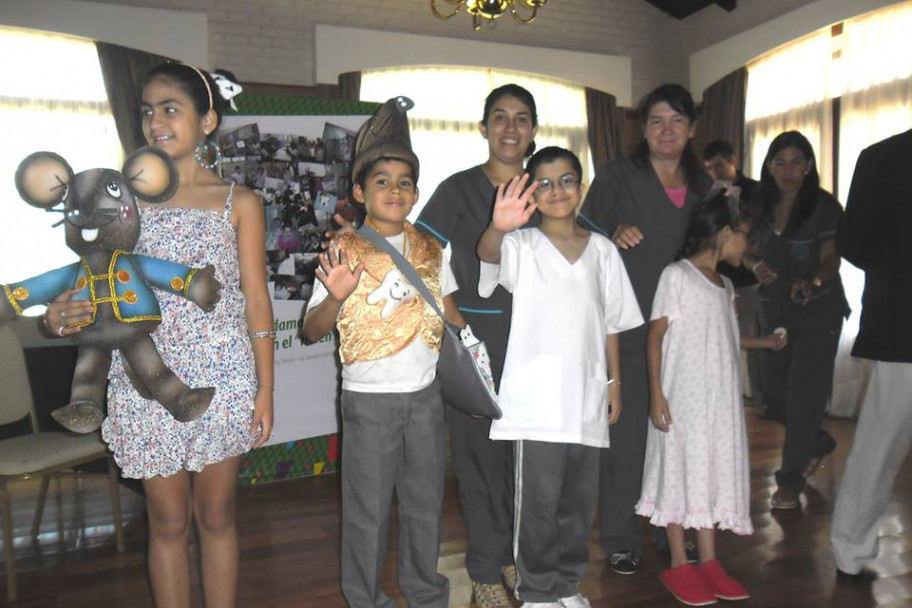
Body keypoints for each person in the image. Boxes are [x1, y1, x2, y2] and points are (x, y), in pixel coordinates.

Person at [43, 62, 274, 607]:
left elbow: (256, 300)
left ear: (208, 119)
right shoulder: (119, 202)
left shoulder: (237, 203)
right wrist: (61, 314)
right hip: (142, 377)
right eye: (147, 110)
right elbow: (89, 281)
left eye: (171, 108)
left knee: (216, 515)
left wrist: (266, 388)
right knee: (167, 520)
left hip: (223, 376)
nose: (156, 121)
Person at [301, 99, 462, 608]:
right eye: (383, 181)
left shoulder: (435, 250)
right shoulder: (342, 250)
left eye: (405, 182)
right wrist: (337, 294)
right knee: (368, 510)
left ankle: (425, 592)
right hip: (369, 400)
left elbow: (452, 316)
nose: (395, 190)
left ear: (416, 191)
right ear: (359, 191)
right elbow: (310, 330)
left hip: (425, 398)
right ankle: (367, 598)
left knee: (424, 504)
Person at [476, 147, 643, 608]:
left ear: (581, 185)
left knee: (577, 505)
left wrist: (614, 383)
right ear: (531, 191)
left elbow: (610, 321)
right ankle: (536, 593)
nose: (556, 191)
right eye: (544, 183)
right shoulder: (520, 246)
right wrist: (499, 226)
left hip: (586, 397)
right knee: (539, 506)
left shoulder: (603, 250)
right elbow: (488, 255)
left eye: (566, 180)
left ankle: (567, 586)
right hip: (537, 402)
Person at [577, 83, 713, 575]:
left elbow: (713, 251)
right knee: (629, 437)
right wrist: (609, 234)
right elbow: (579, 233)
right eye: (656, 121)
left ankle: (670, 526)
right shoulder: (619, 176)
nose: (667, 130)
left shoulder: (703, 187)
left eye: (677, 121)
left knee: (675, 435)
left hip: (684, 330)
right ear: (643, 129)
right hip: (630, 327)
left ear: (692, 128)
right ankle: (619, 537)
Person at [415, 83, 539, 607]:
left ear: (534, 131)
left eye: (521, 118)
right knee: (480, 463)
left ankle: (518, 559)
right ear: (483, 127)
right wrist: (454, 323)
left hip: (538, 343)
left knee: (528, 464)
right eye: (500, 117)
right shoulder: (457, 189)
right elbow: (420, 253)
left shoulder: (547, 187)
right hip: (477, 345)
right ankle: (486, 571)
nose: (510, 127)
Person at [637, 189, 786, 606]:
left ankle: (709, 560)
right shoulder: (677, 276)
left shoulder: (723, 286)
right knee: (680, 471)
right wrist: (656, 394)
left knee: (708, 472)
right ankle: (680, 564)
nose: (748, 246)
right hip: (682, 400)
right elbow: (655, 336)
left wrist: (765, 343)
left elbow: (729, 340)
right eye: (745, 236)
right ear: (724, 233)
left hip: (719, 402)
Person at [744, 131, 849, 510]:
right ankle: (817, 442)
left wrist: (814, 279)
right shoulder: (758, 204)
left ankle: (790, 481)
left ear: (809, 167)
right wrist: (753, 264)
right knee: (773, 395)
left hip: (819, 310)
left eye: (797, 162)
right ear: (769, 167)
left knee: (805, 396)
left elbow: (831, 256)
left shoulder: (823, 206)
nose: (788, 171)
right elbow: (745, 250)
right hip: (775, 310)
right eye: (780, 162)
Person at [831, 129, 912, 578]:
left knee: (879, 444)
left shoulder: (881, 156)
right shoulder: (882, 156)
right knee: (880, 444)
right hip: (903, 323)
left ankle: (851, 551)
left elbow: (853, 243)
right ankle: (850, 551)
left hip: (899, 316)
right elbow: (852, 242)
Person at [702, 139, 764, 407]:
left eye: (718, 165)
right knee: (728, 338)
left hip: (753, 274)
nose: (713, 172)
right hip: (722, 275)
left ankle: (763, 397)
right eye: (709, 168)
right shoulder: (709, 194)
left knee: (755, 337)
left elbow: (762, 227)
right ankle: (730, 396)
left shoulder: (757, 190)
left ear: (733, 161)